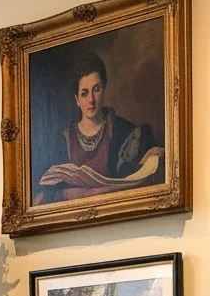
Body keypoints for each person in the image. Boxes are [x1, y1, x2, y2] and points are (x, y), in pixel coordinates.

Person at [34, 53, 163, 203]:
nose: (91, 100)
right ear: (77, 99)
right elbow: (44, 193)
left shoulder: (123, 131)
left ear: (104, 88)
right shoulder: (63, 142)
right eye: (84, 93)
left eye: (96, 89)